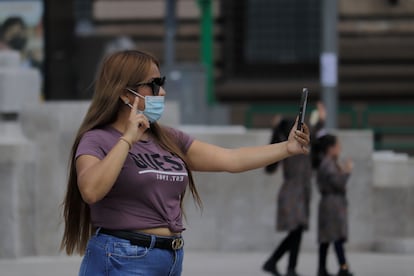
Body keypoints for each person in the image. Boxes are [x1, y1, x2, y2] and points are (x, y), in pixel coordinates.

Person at [60, 50, 310, 276]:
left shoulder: (169, 138)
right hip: (123, 257)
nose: (163, 92)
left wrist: (286, 148)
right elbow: (91, 190)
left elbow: (231, 159)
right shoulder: (97, 140)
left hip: (170, 257)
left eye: (162, 83)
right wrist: (127, 139)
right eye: (154, 84)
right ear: (126, 93)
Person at [262, 117, 312, 276]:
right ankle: (284, 266)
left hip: (297, 192)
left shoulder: (292, 145)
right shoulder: (289, 146)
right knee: (296, 231)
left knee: (296, 231)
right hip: (293, 193)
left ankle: (280, 264)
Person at [312, 133, 354, 276]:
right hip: (332, 205)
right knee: (336, 237)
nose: (340, 148)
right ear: (330, 148)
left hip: (331, 203)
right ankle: (343, 267)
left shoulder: (327, 163)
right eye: (337, 146)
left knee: (327, 238)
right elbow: (338, 183)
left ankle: (322, 268)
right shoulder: (328, 164)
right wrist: (347, 172)